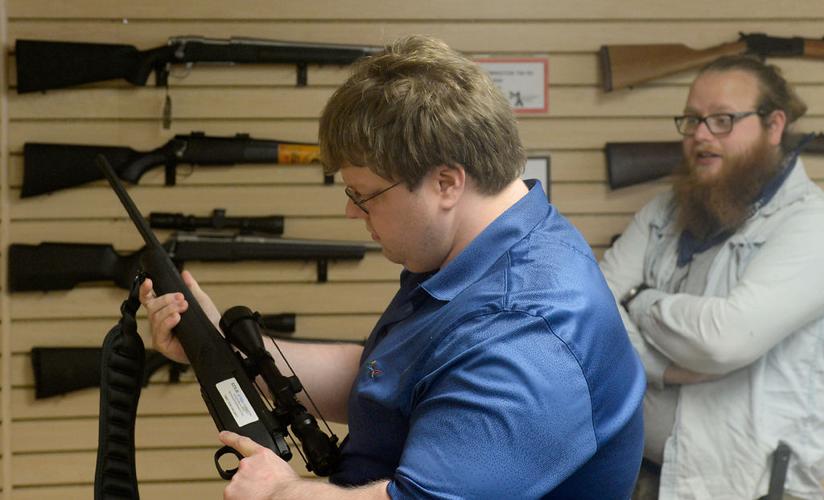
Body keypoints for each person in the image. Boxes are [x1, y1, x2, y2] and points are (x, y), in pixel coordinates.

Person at [141, 35, 645, 500]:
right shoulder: (481, 255)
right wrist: (215, 347)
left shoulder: (522, 332)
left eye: (365, 195)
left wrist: (281, 493)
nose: (352, 212)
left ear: (446, 183)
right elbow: (384, 378)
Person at [600, 55, 824, 500]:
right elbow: (596, 311)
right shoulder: (664, 210)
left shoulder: (811, 224)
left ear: (774, 126)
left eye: (722, 120)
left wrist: (639, 299)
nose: (701, 135)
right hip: (647, 479)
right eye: (693, 120)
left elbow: (725, 338)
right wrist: (665, 367)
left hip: (755, 490)